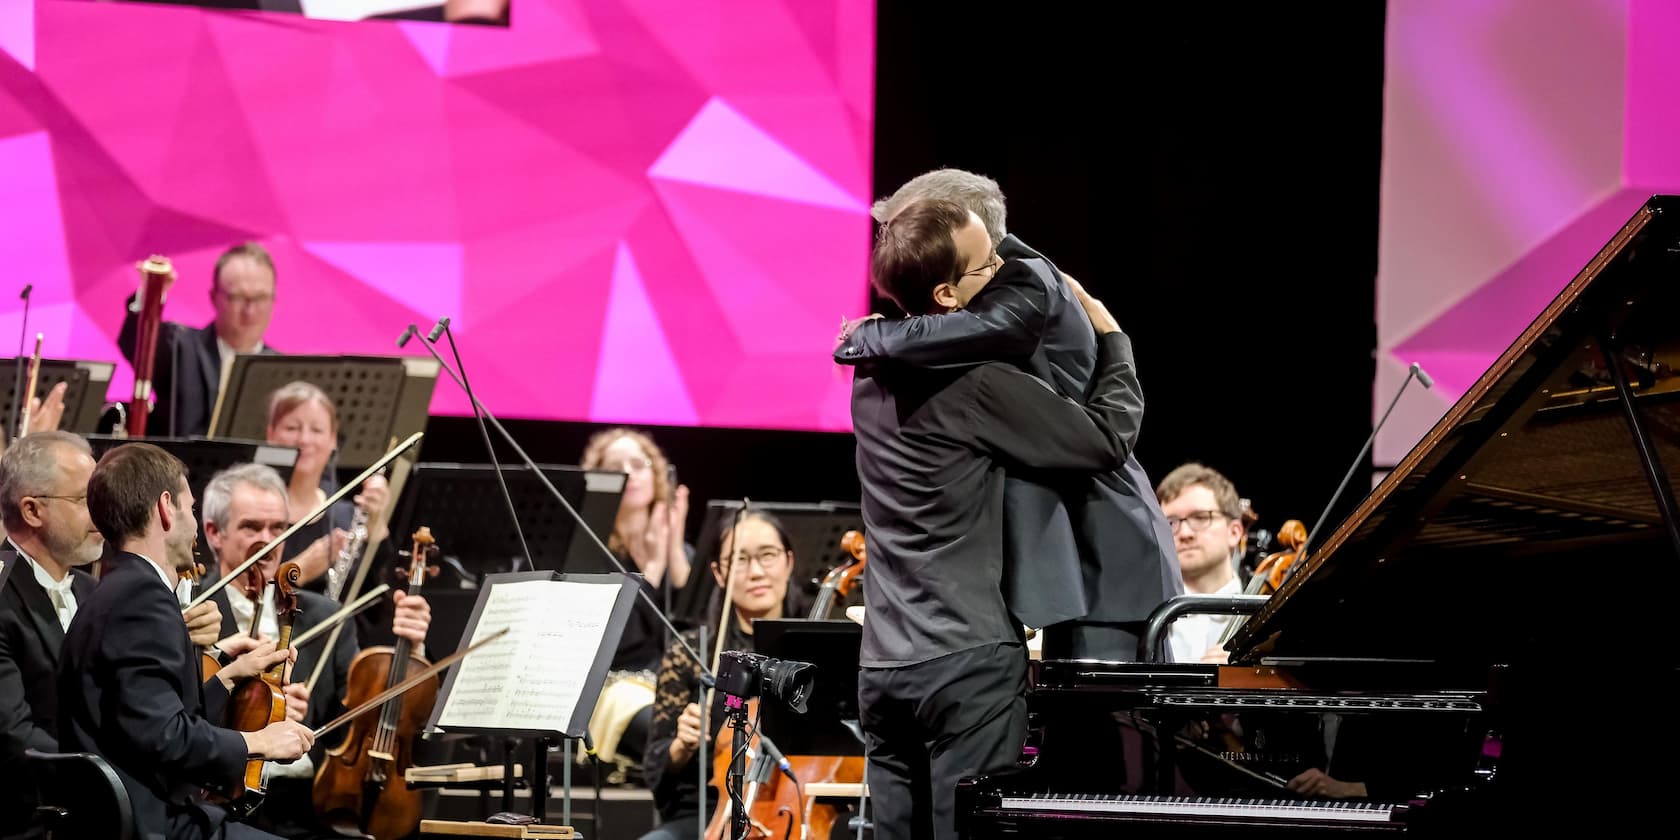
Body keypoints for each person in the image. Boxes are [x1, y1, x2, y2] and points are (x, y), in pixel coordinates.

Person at [851, 198, 1145, 839]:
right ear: (947, 294)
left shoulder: (866, 374)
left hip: (880, 666)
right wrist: (1115, 344)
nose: (1007, 272)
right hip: (966, 661)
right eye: (990, 266)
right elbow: (1101, 440)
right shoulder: (979, 384)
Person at [835, 168, 1180, 661]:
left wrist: (866, 338)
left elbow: (1097, 438)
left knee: (1111, 735)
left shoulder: (1023, 281)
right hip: (1072, 556)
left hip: (1106, 551)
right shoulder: (973, 294)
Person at [59, 442, 314, 840]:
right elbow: (165, 737)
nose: (194, 525)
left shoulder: (121, 587)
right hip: (153, 824)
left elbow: (144, 717)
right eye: (191, 509)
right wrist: (257, 741)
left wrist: (228, 678)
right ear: (165, 507)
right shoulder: (140, 598)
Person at [0, 432, 227, 838]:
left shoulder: (96, 591)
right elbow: (14, 741)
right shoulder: (3, 597)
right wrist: (118, 774)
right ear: (33, 510)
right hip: (40, 820)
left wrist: (196, 653)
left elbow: (135, 706)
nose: (105, 513)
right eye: (86, 500)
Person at [197, 462, 431, 839]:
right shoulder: (194, 612)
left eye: (277, 528)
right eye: (251, 527)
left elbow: (360, 721)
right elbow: (177, 723)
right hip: (221, 804)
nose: (267, 541)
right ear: (214, 533)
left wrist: (411, 651)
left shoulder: (326, 618)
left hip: (312, 806)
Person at [638, 511, 807, 840]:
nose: (755, 572)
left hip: (796, 809)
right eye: (738, 560)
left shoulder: (814, 649)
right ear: (718, 572)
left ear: (788, 561)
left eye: (767, 556)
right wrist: (680, 746)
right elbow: (654, 765)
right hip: (710, 812)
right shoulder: (691, 652)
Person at [578, 428, 693, 780]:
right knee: (672, 736)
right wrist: (653, 568)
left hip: (671, 685)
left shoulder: (682, 554)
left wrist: (673, 551)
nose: (629, 473)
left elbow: (694, 632)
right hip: (613, 688)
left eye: (638, 464)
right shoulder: (590, 552)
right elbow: (619, 638)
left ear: (656, 475)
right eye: (616, 465)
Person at [118, 243, 281, 438]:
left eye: (261, 298)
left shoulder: (281, 371)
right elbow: (136, 344)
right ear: (214, 298)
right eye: (238, 297)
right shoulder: (180, 348)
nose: (250, 311)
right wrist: (152, 292)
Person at [262, 381, 391, 595]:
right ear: (271, 434)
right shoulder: (250, 515)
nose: (304, 439)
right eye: (292, 428)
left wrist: (377, 521)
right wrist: (298, 571)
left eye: (317, 430)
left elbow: (379, 604)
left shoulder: (348, 517)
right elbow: (236, 598)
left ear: (333, 440)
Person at [1155, 463, 1246, 664]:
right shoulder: (1147, 619)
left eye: (1200, 517)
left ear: (1234, 532)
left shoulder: (1264, 615)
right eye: (1170, 523)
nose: (1185, 534)